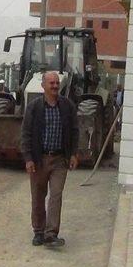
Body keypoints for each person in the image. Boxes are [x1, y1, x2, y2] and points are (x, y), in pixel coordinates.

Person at [20, 71, 80, 248]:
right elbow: (26, 134)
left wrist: (74, 154)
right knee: (38, 196)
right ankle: (38, 231)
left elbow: (75, 131)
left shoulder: (68, 106)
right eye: (51, 83)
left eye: (56, 83)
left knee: (56, 195)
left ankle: (51, 233)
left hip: (60, 159)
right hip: (39, 159)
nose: (54, 86)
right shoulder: (34, 107)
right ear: (43, 86)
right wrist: (28, 158)